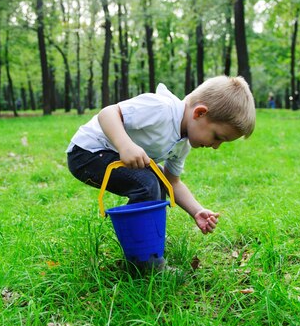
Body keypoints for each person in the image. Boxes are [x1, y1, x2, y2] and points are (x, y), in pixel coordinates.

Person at [66, 75, 256, 269]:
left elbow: (172, 182)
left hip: (108, 155)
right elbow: (107, 113)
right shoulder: (161, 109)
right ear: (199, 113)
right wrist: (125, 145)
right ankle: (145, 264)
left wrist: (197, 211)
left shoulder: (182, 144)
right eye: (217, 137)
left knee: (158, 181)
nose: (216, 146)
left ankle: (149, 245)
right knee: (147, 184)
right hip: (86, 153)